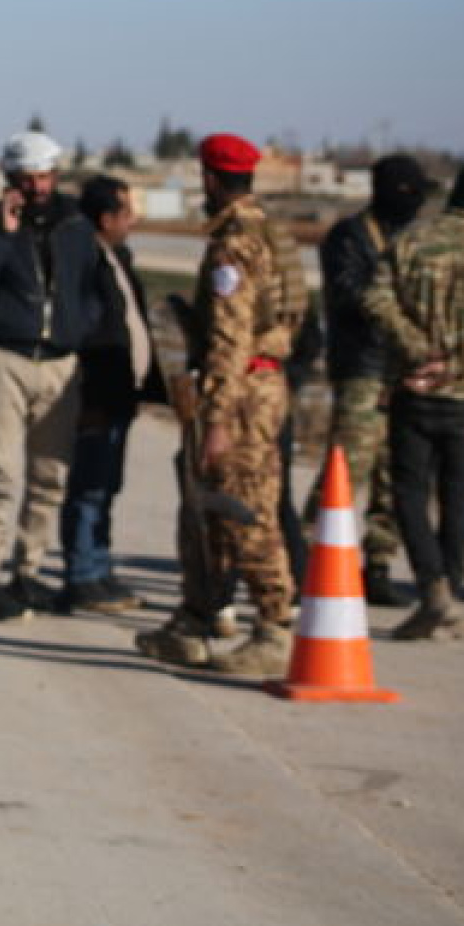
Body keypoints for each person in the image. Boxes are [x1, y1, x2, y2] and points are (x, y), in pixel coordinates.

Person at [136, 134, 307, 678]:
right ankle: (195, 620)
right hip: (260, 384)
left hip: (240, 396)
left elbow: (231, 340)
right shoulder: (273, 234)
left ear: (210, 179)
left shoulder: (234, 245)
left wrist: (217, 421)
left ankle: (275, 629)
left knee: (245, 511)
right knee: (208, 511)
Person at [0, 131, 105, 620]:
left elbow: (93, 288)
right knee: (0, 472)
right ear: (10, 178)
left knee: (49, 476)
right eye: (27, 178)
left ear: (56, 176)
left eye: (44, 177)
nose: (37, 187)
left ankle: (28, 572)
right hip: (5, 361)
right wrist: (3, 232)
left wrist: (81, 328)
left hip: (60, 365)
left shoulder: (77, 225)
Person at [362, 160, 464, 641]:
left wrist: (419, 351)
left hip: (413, 390)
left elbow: (376, 298)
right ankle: (450, 595)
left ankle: (432, 585)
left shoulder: (412, 241)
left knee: (409, 494)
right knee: (457, 497)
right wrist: (456, 362)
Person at [306, 154, 434, 608]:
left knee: (393, 474)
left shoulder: (411, 237)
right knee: (347, 467)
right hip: (363, 366)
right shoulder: (350, 236)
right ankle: (307, 554)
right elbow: (351, 295)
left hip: (403, 371)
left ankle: (377, 564)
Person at [57, 176, 164, 613]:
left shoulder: (117, 256)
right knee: (89, 486)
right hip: (98, 392)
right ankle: (82, 575)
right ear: (105, 218)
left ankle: (98, 567)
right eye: (126, 213)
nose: (132, 220)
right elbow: (86, 329)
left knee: (108, 484)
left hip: (122, 391)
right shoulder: (85, 261)